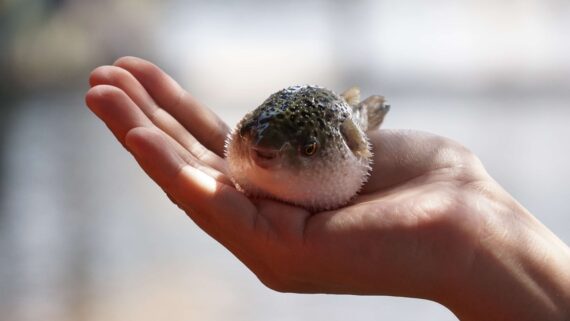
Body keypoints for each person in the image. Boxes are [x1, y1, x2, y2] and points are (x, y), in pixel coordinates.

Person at [85, 56, 570, 321]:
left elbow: (357, 138)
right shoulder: (252, 136)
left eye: (307, 152)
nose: (264, 155)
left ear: (342, 145)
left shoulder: (352, 138)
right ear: (247, 129)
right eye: (255, 138)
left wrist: (471, 238)